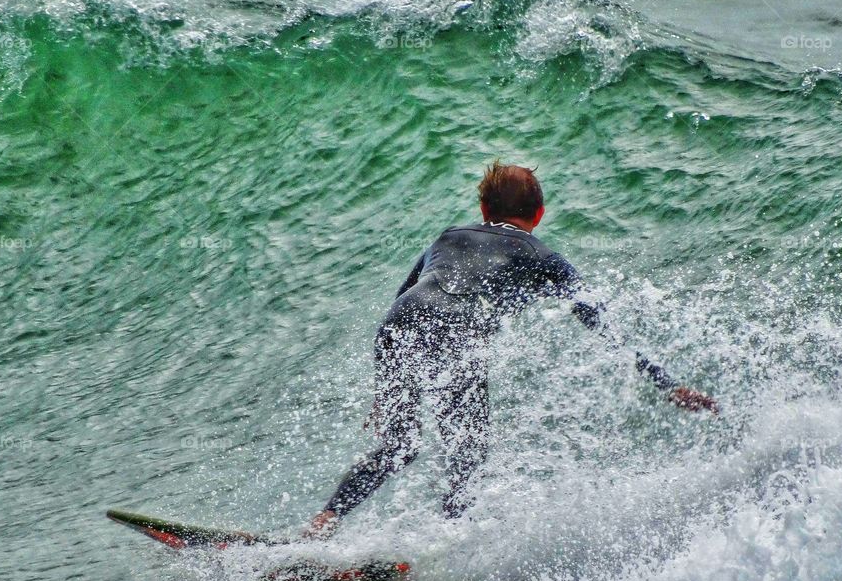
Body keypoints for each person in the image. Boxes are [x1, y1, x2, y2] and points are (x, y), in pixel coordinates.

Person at [305, 161, 718, 538]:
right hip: (457, 330)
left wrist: (388, 390)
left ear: (484, 210)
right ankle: (447, 542)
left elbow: (403, 297)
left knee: (400, 445)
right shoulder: (542, 256)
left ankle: (326, 519)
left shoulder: (449, 236)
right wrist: (666, 384)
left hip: (399, 325)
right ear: (539, 214)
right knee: (467, 452)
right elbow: (601, 325)